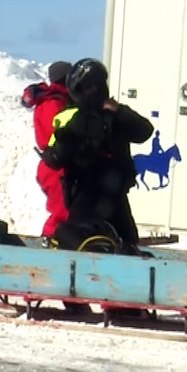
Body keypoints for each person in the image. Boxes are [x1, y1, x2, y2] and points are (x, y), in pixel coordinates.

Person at [40, 58, 154, 254]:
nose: (96, 91)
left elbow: (144, 131)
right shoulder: (73, 117)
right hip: (91, 198)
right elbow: (54, 157)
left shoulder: (113, 115)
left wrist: (119, 111)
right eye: (92, 87)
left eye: (98, 85)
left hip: (109, 198)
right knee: (94, 246)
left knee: (121, 245)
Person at [21, 61, 74, 237]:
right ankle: (49, 247)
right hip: (56, 165)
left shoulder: (53, 100)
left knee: (67, 212)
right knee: (62, 213)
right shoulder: (53, 103)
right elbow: (58, 135)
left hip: (55, 164)